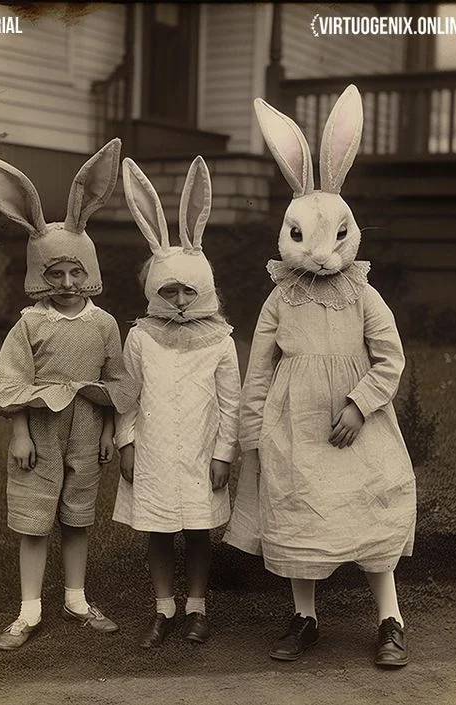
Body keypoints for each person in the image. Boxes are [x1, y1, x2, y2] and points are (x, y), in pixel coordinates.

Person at [224, 87, 416, 668]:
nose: (322, 256)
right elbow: (259, 368)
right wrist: (252, 434)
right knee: (299, 509)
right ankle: (304, 617)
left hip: (358, 426)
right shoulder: (279, 298)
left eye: (335, 238)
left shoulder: (362, 294)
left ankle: (390, 619)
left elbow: (390, 358)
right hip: (296, 426)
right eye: (303, 238)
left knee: (371, 506)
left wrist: (360, 404)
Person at [0, 140, 134, 650]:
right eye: (55, 273)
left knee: (78, 516)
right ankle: (29, 611)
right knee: (34, 518)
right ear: (40, 276)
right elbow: (13, 381)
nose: (67, 283)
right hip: (41, 429)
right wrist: (20, 433)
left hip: (86, 429)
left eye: (75, 272)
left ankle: (76, 599)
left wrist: (108, 430)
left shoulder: (104, 324)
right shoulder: (31, 324)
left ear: (89, 272)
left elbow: (115, 381)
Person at [113, 156, 240, 648]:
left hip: (202, 452)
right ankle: (163, 608)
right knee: (159, 529)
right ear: (153, 290)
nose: (181, 300)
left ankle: (197, 609)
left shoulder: (220, 340)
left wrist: (223, 454)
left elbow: (230, 404)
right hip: (155, 450)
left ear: (205, 287)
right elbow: (127, 395)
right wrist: (126, 443)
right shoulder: (141, 337)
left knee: (199, 530)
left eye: (190, 290)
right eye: (170, 291)